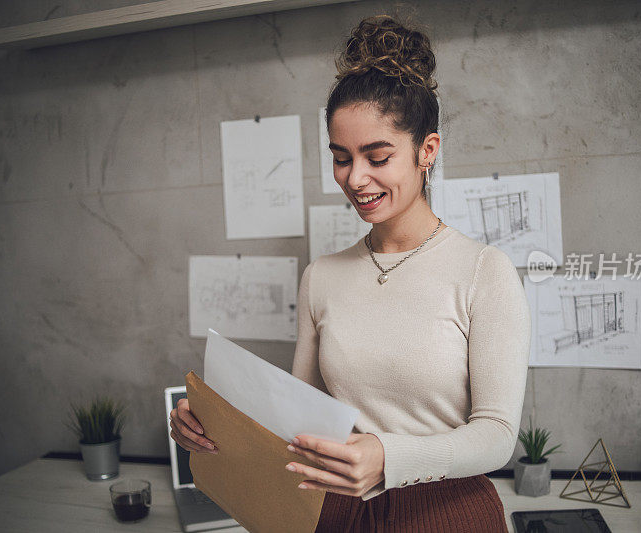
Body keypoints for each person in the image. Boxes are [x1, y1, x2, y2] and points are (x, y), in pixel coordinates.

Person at [170, 13, 531, 532]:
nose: (355, 179)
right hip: (333, 512)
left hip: (446, 514)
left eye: (376, 157)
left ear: (427, 151)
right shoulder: (321, 277)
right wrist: (209, 425)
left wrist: (387, 457)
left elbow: (497, 435)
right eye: (341, 158)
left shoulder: (484, 272)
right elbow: (295, 421)